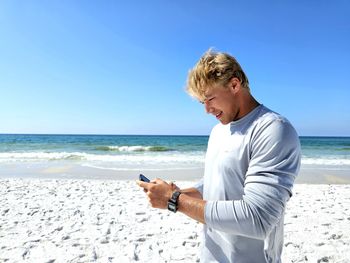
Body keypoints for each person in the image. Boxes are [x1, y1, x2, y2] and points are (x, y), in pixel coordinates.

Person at [137, 49, 301, 263]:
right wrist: (178, 193)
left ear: (234, 85)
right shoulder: (219, 131)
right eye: (201, 103)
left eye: (210, 99)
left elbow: (258, 218)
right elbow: (217, 183)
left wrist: (174, 200)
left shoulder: (272, 129)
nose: (206, 110)